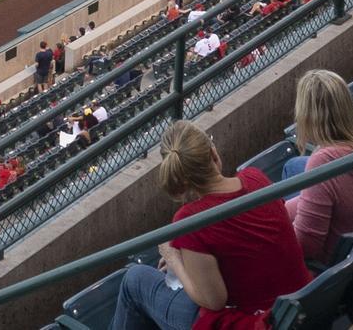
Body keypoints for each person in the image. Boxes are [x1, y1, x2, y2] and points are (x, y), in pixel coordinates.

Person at [109, 120, 309, 330]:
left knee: (134, 280)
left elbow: (214, 301)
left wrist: (173, 258)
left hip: (258, 321)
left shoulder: (191, 220)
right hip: (297, 305)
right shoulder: (255, 177)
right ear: (213, 153)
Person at [282, 70, 353, 266]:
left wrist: (278, 226)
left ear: (307, 117)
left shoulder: (323, 162)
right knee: (292, 169)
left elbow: (307, 246)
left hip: (340, 266)